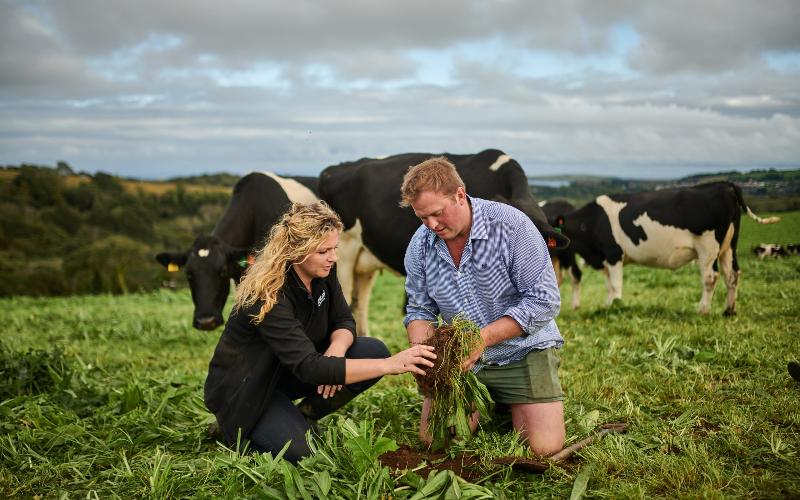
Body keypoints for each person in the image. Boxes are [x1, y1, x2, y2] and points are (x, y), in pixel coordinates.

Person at [204, 201, 436, 463]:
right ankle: (233, 428)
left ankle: (305, 414)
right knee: (301, 454)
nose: (333, 257)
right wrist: (390, 365)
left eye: (334, 248)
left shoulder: (323, 270)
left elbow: (344, 321)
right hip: (247, 387)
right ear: (297, 251)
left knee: (371, 349)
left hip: (284, 371)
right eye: (323, 251)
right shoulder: (268, 295)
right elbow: (310, 368)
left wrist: (336, 351)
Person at [401, 157, 566, 456]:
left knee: (542, 448)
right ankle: (491, 400)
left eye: (437, 214)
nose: (432, 225)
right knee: (435, 442)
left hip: (522, 350)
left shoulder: (512, 226)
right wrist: (422, 349)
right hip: (462, 360)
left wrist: (483, 338)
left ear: (460, 195)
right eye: (422, 218)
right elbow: (420, 309)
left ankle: (511, 400)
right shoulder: (421, 243)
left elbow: (544, 301)